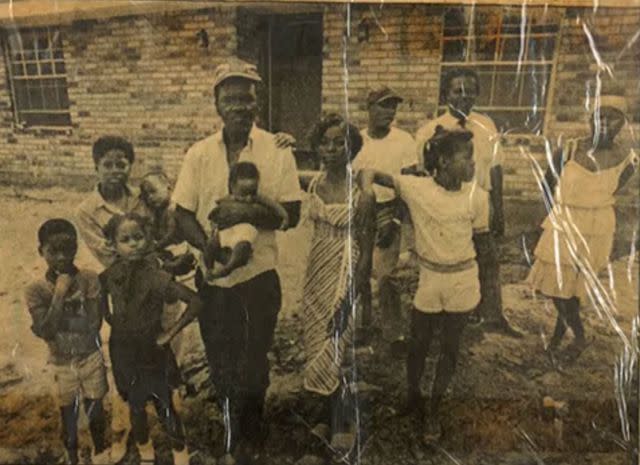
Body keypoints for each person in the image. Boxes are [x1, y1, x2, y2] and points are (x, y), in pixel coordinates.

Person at [172, 58, 303, 464]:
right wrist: (206, 250)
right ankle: (231, 428)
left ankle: (252, 431)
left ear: (256, 102)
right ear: (217, 105)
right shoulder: (198, 154)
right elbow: (182, 213)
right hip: (213, 280)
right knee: (220, 358)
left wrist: (242, 215)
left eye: (247, 98)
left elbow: (292, 213)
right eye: (231, 99)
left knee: (254, 359)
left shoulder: (276, 149)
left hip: (259, 278)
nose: (240, 106)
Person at [360, 126, 488, 442]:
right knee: (417, 345)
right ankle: (413, 396)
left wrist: (485, 296)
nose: (473, 165)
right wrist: (366, 194)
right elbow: (370, 172)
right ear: (443, 162)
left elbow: (484, 248)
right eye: (465, 158)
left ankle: (434, 408)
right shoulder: (416, 188)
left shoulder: (478, 197)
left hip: (462, 280)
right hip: (431, 279)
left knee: (449, 348)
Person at [529, 95, 638, 363]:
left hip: (597, 227)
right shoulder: (568, 149)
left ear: (623, 123)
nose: (606, 123)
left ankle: (559, 337)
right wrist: (546, 219)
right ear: (590, 120)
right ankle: (579, 336)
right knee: (555, 286)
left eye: (614, 118)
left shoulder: (629, 159)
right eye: (600, 116)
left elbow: (613, 190)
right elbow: (546, 184)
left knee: (575, 287)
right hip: (565, 223)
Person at [415, 67, 522, 337]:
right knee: (450, 264)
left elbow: (495, 168)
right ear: (445, 94)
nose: (464, 97)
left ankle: (493, 316)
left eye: (470, 91)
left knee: (488, 259)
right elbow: (424, 175)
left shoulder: (486, 125)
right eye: (457, 91)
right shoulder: (428, 131)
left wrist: (499, 208)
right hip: (447, 208)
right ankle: (447, 322)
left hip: (480, 203)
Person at [300, 113, 375, 460]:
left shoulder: (362, 193)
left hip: (344, 269)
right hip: (316, 269)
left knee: (339, 340)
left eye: (339, 143)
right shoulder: (313, 183)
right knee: (317, 343)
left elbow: (366, 254)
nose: (330, 149)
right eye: (324, 142)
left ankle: (343, 422)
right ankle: (324, 416)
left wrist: (351, 295)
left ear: (352, 148)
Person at [100, 212, 202, 465]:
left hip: (152, 350)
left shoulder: (157, 276)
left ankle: (180, 453)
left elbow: (196, 301)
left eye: (138, 237)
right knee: (134, 406)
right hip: (123, 350)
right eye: (125, 239)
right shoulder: (109, 276)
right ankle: (146, 454)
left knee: (165, 405)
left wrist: (170, 333)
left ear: (148, 240)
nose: (133, 244)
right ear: (112, 245)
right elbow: (101, 301)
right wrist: (108, 317)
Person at [24, 219, 121, 465]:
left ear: (77, 247)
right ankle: (72, 454)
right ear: (41, 251)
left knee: (95, 407)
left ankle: (100, 451)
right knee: (67, 411)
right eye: (53, 251)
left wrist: (51, 322)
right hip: (60, 362)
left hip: (90, 356)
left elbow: (92, 325)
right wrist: (59, 293)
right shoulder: (36, 289)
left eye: (68, 249)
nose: (61, 257)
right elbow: (47, 333)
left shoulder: (89, 279)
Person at [351, 86, 415, 328]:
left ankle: (392, 330)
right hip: (361, 209)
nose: (390, 112)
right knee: (360, 268)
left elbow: (409, 186)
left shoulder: (404, 140)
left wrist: (396, 221)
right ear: (369, 108)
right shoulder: (356, 140)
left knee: (387, 275)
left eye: (393, 106)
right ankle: (362, 325)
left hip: (390, 207)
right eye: (384, 105)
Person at [203, 161, 289, 280]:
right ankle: (209, 269)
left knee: (243, 249)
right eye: (243, 193)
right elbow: (215, 211)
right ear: (232, 186)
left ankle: (227, 269)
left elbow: (274, 205)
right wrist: (214, 224)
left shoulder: (257, 198)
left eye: (252, 192)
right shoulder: (226, 199)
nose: (248, 198)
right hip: (227, 231)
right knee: (210, 245)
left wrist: (284, 217)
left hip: (245, 231)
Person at [75, 136, 142, 268]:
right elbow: (107, 255)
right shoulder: (86, 211)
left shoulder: (142, 197)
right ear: (96, 168)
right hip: (118, 275)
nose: (115, 171)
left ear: (130, 168)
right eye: (107, 165)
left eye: (121, 165)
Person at [135, 170, 196, 276]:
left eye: (153, 191)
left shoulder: (173, 209)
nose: (150, 197)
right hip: (167, 251)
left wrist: (156, 246)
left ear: (168, 187)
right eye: (146, 195)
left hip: (181, 249)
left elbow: (171, 235)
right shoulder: (156, 212)